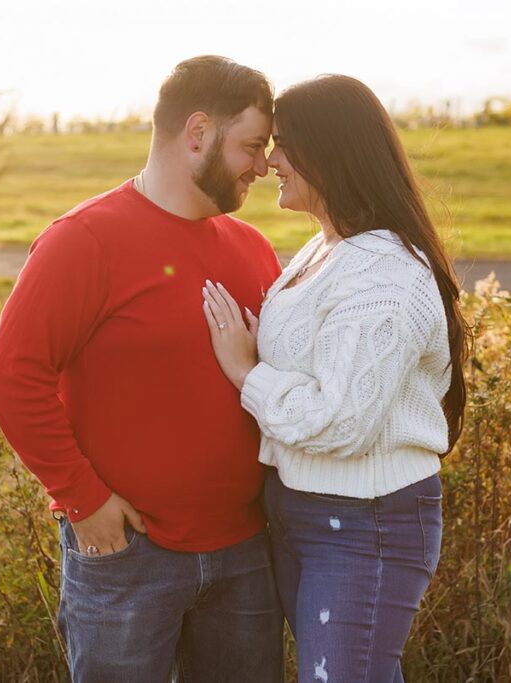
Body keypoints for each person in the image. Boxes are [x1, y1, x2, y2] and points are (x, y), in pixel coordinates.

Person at [0, 56, 284, 682]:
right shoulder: (83, 240)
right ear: (197, 133)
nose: (261, 166)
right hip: (129, 559)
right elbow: (11, 373)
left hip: (245, 553)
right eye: (251, 146)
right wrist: (84, 501)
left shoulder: (252, 248)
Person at [201, 74, 472, 683]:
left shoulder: (384, 272)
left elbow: (342, 420)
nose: (271, 160)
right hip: (306, 509)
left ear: (332, 152)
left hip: (363, 521)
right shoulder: (326, 249)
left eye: (286, 144)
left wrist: (248, 373)